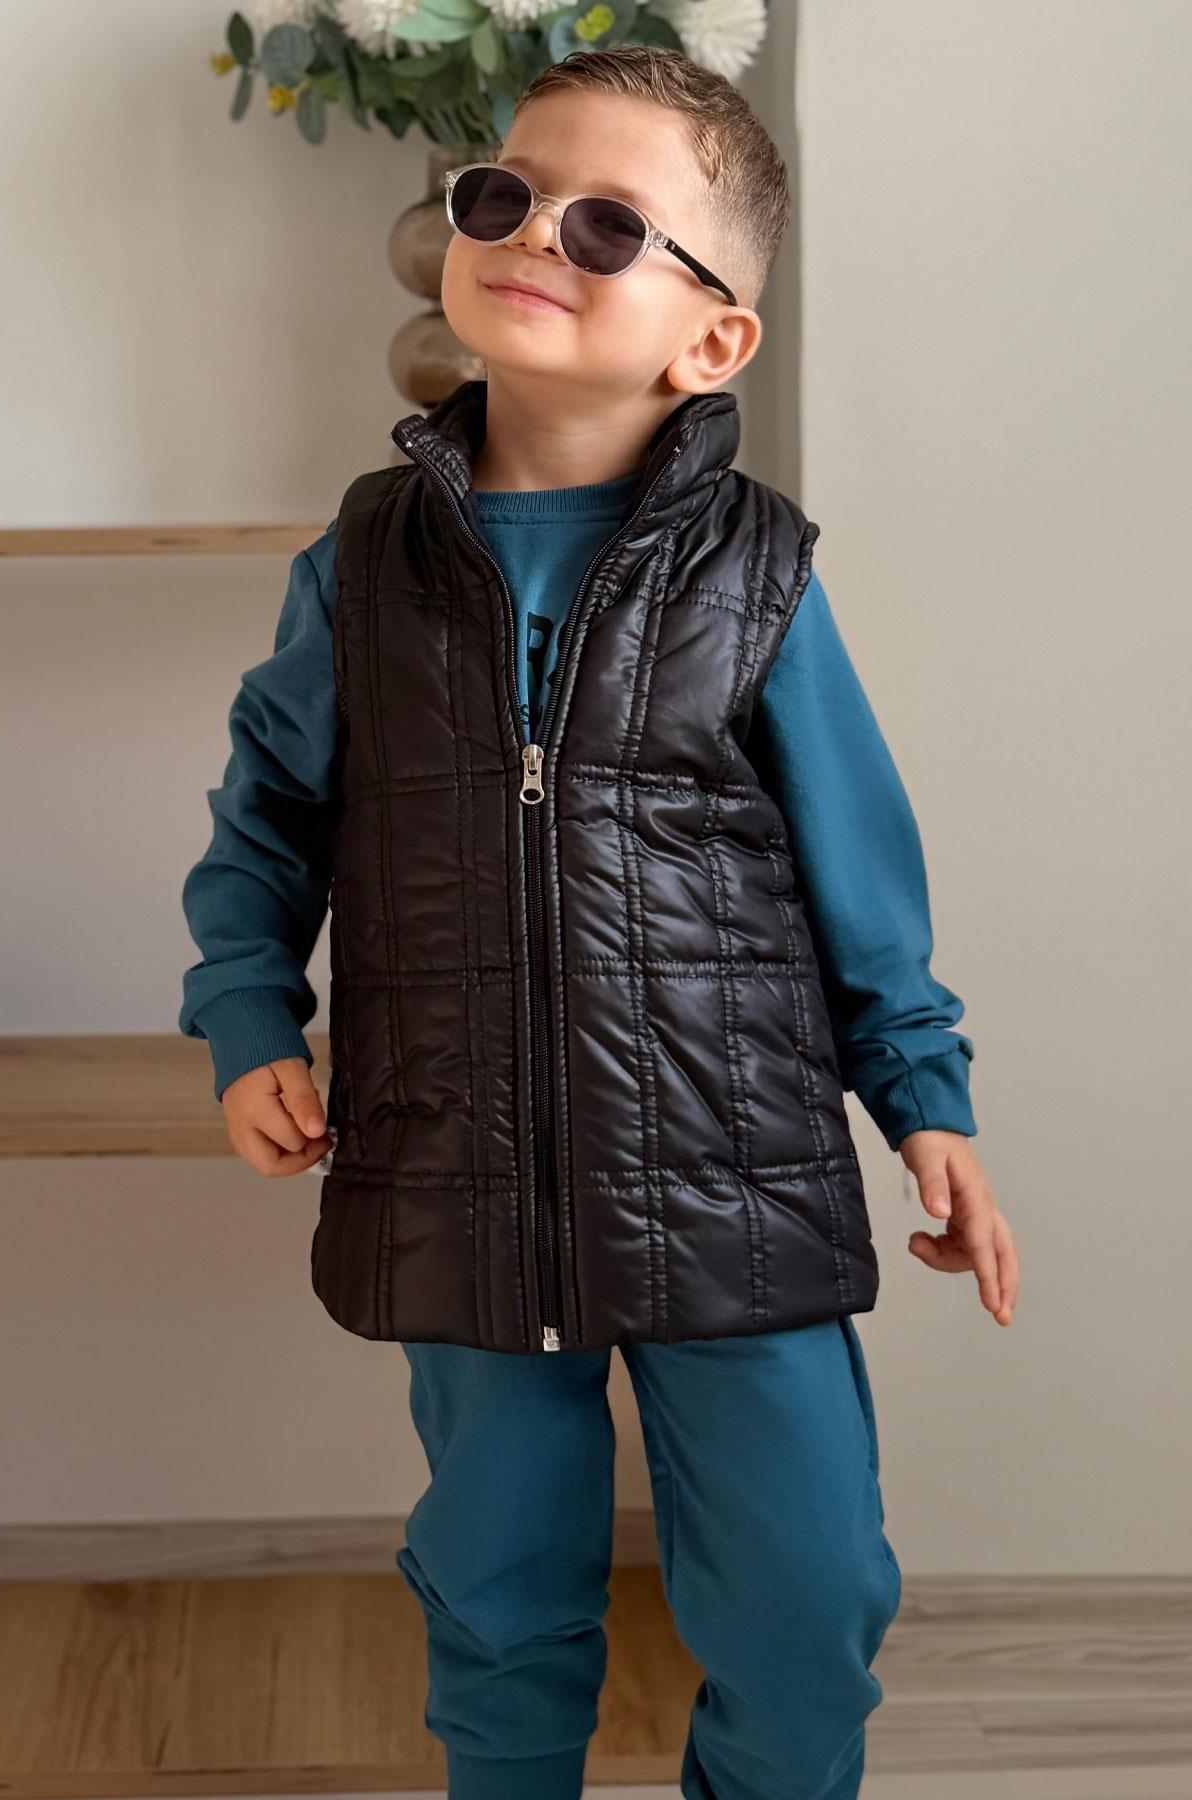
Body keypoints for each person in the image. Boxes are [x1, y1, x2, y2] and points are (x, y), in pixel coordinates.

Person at [179, 44, 1018, 1800]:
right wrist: (251, 1018)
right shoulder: (363, 564)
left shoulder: (758, 573)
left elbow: (860, 866)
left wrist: (924, 1098)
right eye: (506, 195)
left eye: (609, 224)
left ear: (713, 338)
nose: (530, 233)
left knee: (808, 1607)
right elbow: (265, 827)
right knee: (498, 1609)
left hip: (739, 1176)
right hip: (458, 1179)